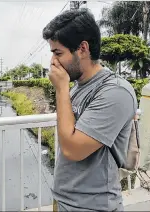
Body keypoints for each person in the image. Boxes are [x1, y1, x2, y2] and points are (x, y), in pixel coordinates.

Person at [42, 8, 137, 211]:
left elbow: (72, 149)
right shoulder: (77, 86)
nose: (52, 62)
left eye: (58, 53)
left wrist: (61, 89)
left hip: (92, 206)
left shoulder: (115, 92)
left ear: (82, 49)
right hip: (64, 201)